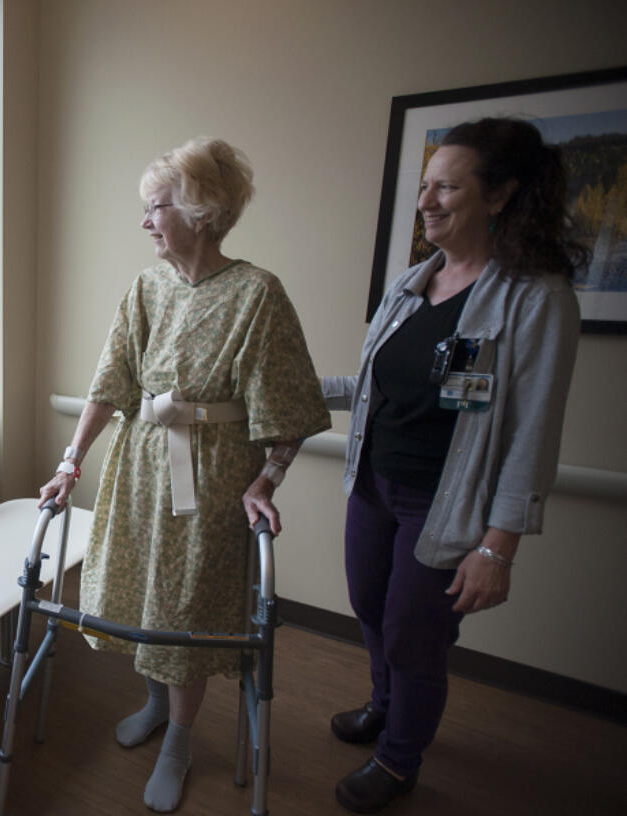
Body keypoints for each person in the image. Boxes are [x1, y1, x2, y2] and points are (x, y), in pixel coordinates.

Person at [39, 137, 330, 812]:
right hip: (141, 464)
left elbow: (285, 405)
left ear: (200, 211)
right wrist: (70, 460)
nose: (145, 222)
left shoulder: (257, 293)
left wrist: (268, 479)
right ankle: (154, 706)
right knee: (145, 594)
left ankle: (181, 736)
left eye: (156, 207)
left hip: (214, 474)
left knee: (187, 612)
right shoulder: (146, 287)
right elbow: (109, 382)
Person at [321, 118, 584, 813]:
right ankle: (384, 707)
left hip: (447, 504)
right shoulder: (415, 282)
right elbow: (373, 387)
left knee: (416, 637)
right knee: (371, 609)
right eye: (424, 185)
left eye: (447, 186)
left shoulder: (535, 295)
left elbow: (533, 430)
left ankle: (399, 760)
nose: (427, 201)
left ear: (498, 196)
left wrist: (499, 546)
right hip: (374, 484)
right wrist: (285, 385)